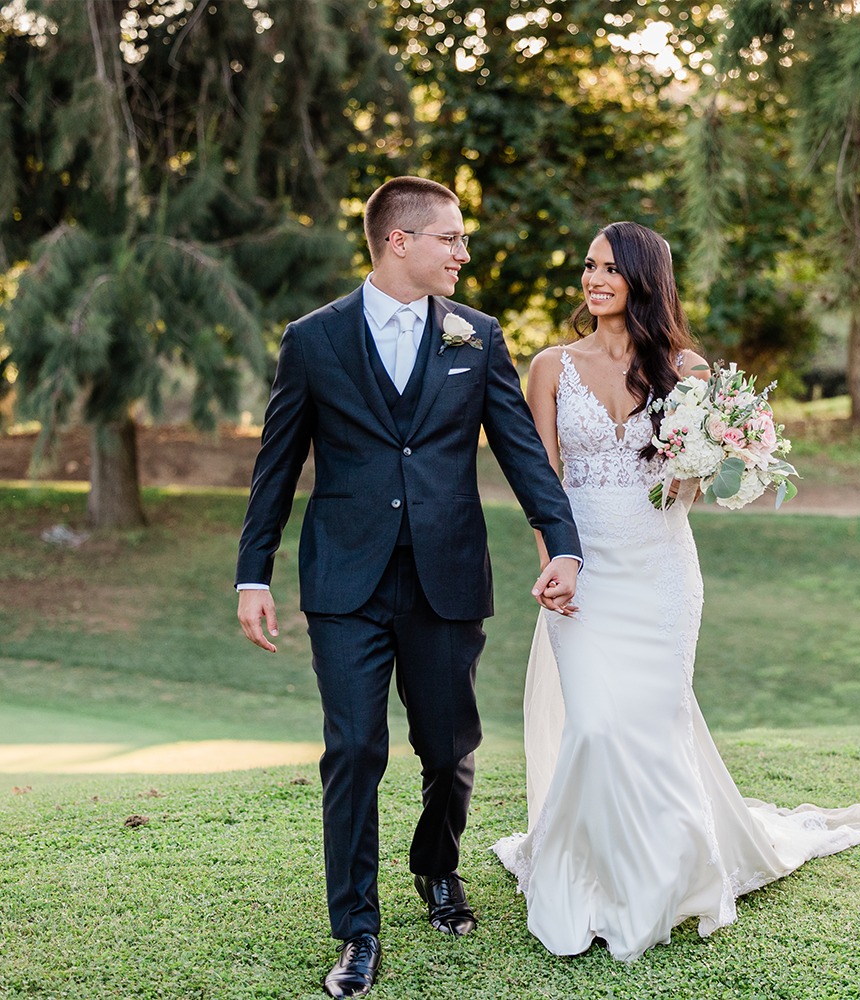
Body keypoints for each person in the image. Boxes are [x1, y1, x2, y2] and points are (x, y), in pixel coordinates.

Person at [491, 221, 860, 962]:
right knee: (595, 727)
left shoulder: (688, 370)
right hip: (583, 570)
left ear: (644, 278)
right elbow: (540, 483)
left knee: (652, 723)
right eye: (588, 266)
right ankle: (593, 877)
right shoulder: (549, 366)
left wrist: (708, 461)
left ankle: (666, 877)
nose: (593, 278)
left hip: (662, 573)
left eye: (610, 267)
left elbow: (693, 488)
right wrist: (553, 561)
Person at [235, 176, 583, 999]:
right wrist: (254, 572)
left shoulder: (478, 336)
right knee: (354, 749)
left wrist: (562, 543)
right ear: (401, 242)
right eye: (451, 239)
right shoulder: (313, 340)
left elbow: (522, 453)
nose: (464, 254)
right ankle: (356, 929)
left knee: (450, 748)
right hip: (345, 581)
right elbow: (275, 467)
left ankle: (437, 870)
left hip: (447, 573)